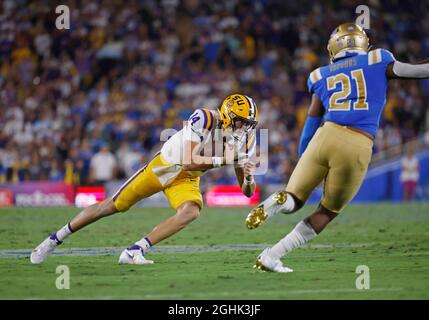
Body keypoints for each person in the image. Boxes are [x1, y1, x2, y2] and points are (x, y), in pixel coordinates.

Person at [245, 23, 429, 273]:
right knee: (327, 211)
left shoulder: (320, 75)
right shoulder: (378, 59)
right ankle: (271, 255)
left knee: (295, 198)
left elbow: (311, 122)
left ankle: (281, 200)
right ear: (362, 44)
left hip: (324, 136)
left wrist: (303, 158)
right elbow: (419, 71)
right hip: (357, 141)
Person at [31, 94, 259, 265]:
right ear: (228, 115)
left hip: (186, 180)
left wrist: (248, 177)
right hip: (163, 167)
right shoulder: (205, 118)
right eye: (242, 122)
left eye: (249, 124)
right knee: (113, 205)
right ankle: (54, 239)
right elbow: (189, 160)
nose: (244, 129)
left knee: (191, 211)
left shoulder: (245, 141)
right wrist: (223, 159)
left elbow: (247, 191)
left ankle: (135, 250)